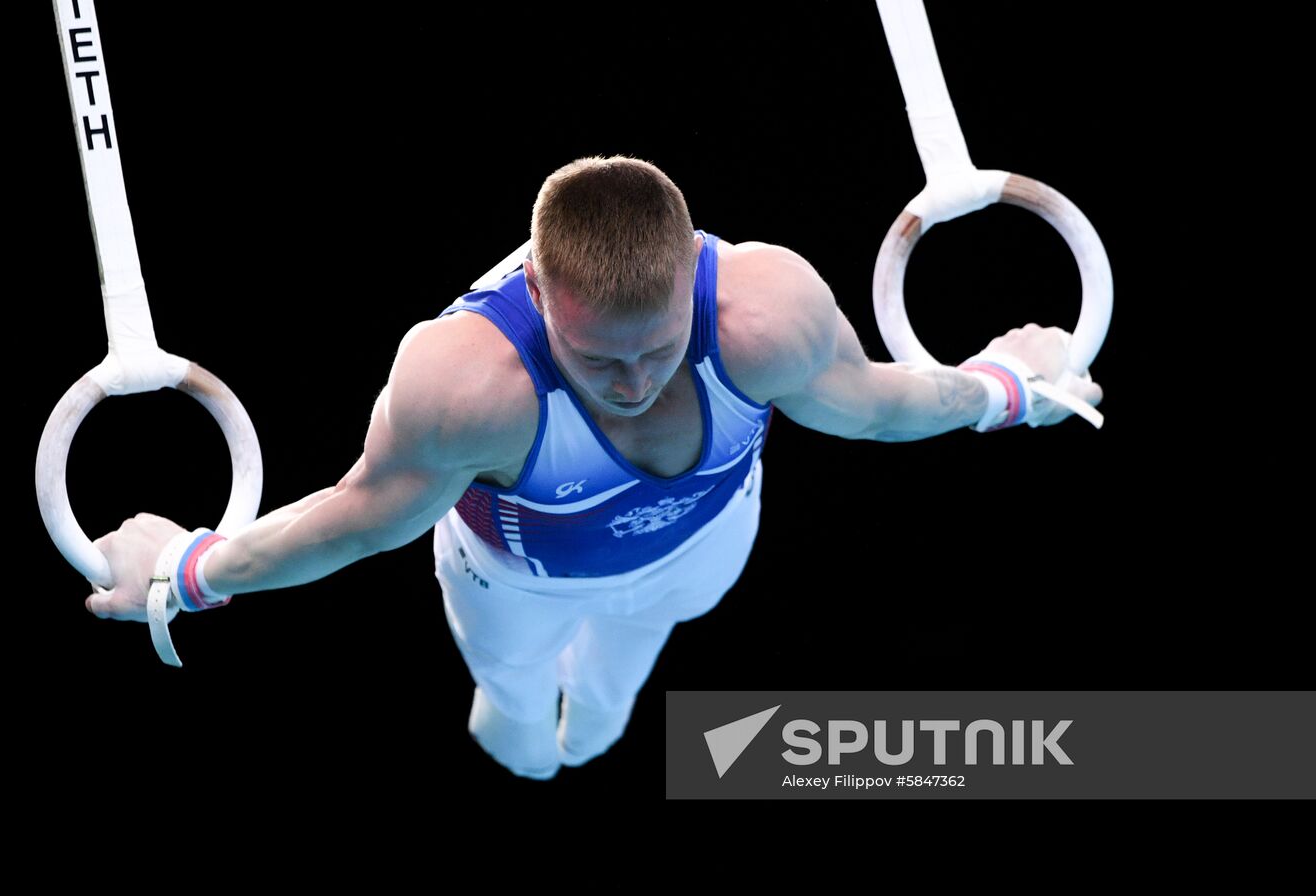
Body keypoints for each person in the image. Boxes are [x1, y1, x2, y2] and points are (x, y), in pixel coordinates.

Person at [82, 155, 1103, 780]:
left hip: (700, 552)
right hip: (513, 585)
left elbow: (880, 409)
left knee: (612, 704)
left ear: (688, 279)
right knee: (518, 722)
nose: (631, 381)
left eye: (658, 348)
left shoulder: (762, 312)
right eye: (596, 358)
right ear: (537, 290)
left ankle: (594, 714)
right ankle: (527, 723)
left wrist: (1006, 387)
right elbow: (353, 522)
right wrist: (186, 572)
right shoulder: (466, 380)